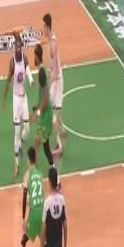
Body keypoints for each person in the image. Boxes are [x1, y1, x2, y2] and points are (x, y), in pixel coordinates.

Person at [2, 35, 33, 177]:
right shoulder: (12, 62)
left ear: (22, 48)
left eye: (20, 47)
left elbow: (28, 69)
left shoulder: (25, 58)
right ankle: (16, 163)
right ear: (14, 48)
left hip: (24, 98)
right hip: (16, 100)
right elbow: (8, 79)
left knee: (27, 128)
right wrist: (4, 98)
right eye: (17, 47)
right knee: (17, 131)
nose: (18, 49)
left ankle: (20, 144)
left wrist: (31, 80)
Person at [32, 44, 57, 169]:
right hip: (45, 112)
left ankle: (34, 169)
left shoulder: (41, 73)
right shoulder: (41, 70)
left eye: (34, 55)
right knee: (45, 145)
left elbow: (46, 99)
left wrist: (38, 113)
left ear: (37, 56)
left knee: (37, 141)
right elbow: (42, 96)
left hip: (46, 114)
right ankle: (52, 167)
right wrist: (37, 106)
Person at [43, 14, 65, 153]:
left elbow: (56, 66)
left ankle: (59, 146)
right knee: (55, 112)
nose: (42, 29)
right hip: (56, 77)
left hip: (56, 79)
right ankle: (62, 131)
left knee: (53, 115)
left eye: (43, 26)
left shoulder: (52, 43)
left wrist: (51, 82)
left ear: (47, 26)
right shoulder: (52, 40)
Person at [20, 147, 44, 247]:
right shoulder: (40, 174)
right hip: (43, 212)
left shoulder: (27, 175)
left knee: (24, 238)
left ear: (28, 160)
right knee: (43, 241)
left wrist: (23, 218)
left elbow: (25, 196)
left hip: (34, 214)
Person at [41, 167, 67, 247]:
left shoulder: (47, 202)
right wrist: (65, 245)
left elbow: (43, 229)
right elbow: (65, 225)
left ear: (49, 182)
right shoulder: (62, 199)